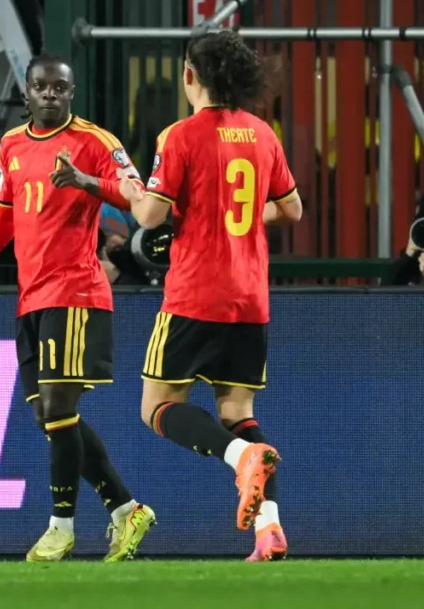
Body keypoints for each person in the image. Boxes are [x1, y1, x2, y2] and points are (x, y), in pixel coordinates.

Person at [118, 29, 302, 562]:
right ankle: (269, 528)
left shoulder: (180, 136)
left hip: (196, 293)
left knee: (157, 407)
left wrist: (132, 193)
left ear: (189, 75)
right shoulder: (262, 134)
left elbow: (152, 216)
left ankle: (241, 457)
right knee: (237, 410)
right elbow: (291, 209)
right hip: (250, 296)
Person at [0, 55, 155, 563]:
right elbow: (6, 207)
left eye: (59, 87)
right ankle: (127, 510)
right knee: (50, 416)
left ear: (71, 93)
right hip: (30, 296)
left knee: (57, 409)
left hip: (75, 291)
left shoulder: (95, 142)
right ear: (27, 93)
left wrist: (86, 182)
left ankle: (61, 528)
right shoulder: (12, 144)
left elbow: (139, 197)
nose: (49, 94)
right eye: (40, 87)